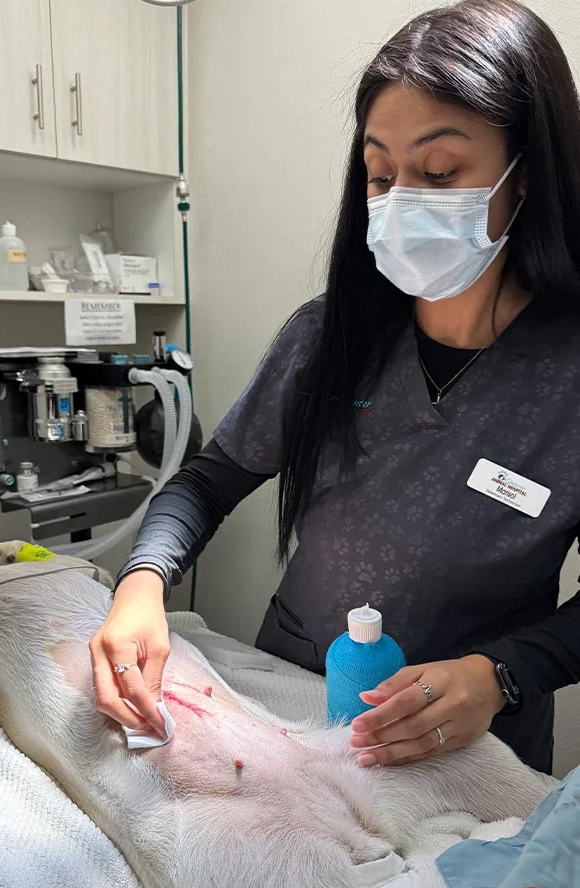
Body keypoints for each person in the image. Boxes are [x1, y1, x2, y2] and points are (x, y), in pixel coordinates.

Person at [90, 0, 580, 776]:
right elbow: (209, 482)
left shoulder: (566, 378)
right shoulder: (331, 336)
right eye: (381, 174)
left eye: (441, 172)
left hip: (467, 745)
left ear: (530, 177)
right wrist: (142, 582)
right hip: (293, 694)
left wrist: (502, 674)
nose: (401, 199)